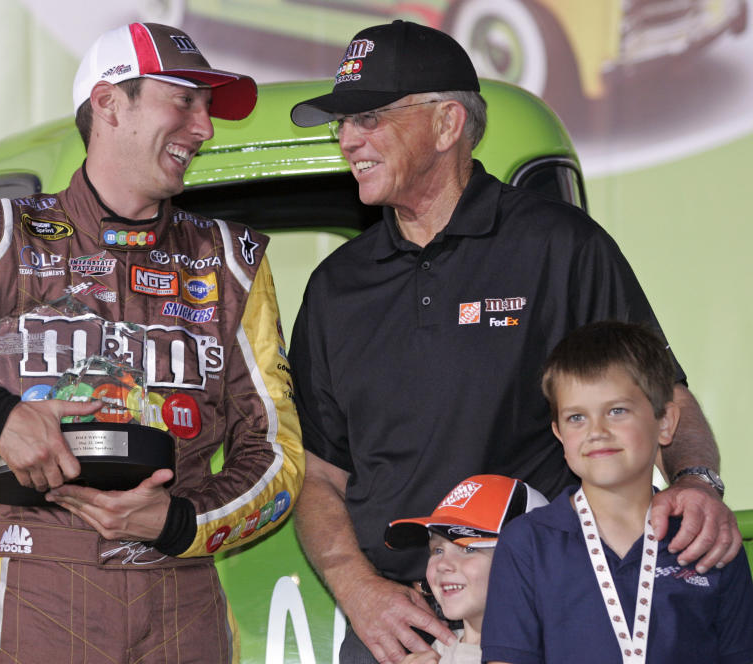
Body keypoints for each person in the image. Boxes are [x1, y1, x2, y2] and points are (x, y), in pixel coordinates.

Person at [0, 22, 303, 663]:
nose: (205, 127)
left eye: (208, 107)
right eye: (184, 100)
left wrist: (180, 522)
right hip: (38, 592)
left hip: (182, 600)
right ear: (109, 102)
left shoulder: (232, 260)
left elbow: (275, 453)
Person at [286, 19, 741, 663]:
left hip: (546, 611)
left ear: (447, 124)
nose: (347, 138)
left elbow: (662, 396)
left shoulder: (561, 247)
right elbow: (318, 474)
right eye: (342, 122)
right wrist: (357, 589)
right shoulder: (336, 286)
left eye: (371, 118)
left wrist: (696, 480)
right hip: (399, 629)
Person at [481, 321, 753, 663]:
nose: (597, 431)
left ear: (665, 423)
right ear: (559, 434)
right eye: (577, 417)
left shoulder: (707, 537)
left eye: (617, 411)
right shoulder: (526, 543)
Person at [385, 474, 548, 664]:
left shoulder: (553, 652)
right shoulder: (434, 652)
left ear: (529, 562)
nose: (443, 564)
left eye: (469, 548)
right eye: (437, 550)